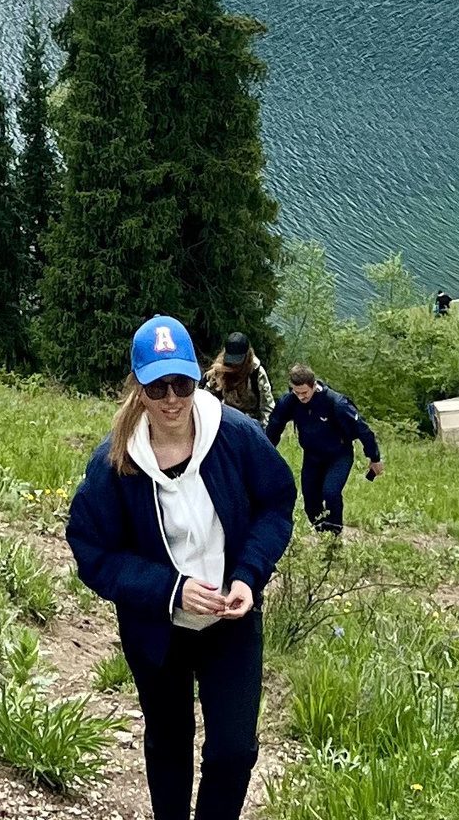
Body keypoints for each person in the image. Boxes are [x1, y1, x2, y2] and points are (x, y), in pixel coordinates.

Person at [67, 316, 296, 820]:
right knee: (170, 744)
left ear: (197, 377)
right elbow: (91, 548)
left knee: (233, 751)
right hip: (157, 630)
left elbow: (278, 502)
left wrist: (248, 574)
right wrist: (170, 590)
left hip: (230, 623)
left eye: (182, 383)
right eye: (157, 386)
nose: (172, 399)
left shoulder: (235, 436)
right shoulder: (114, 462)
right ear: (137, 387)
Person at [265, 362, 380, 533]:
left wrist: (374, 458)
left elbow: (362, 429)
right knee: (311, 502)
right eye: (297, 393)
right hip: (312, 457)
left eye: (305, 393)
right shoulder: (290, 401)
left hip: (338, 455)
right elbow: (274, 427)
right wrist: (266, 453)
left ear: (313, 386)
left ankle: (334, 537)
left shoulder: (336, 402)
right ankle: (323, 534)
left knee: (331, 493)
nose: (301, 397)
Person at [205, 331, 274, 422]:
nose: (233, 364)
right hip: (224, 420)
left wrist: (263, 431)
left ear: (247, 356)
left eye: (237, 360)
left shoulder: (256, 373)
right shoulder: (218, 371)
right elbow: (205, 399)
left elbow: (268, 407)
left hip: (250, 422)